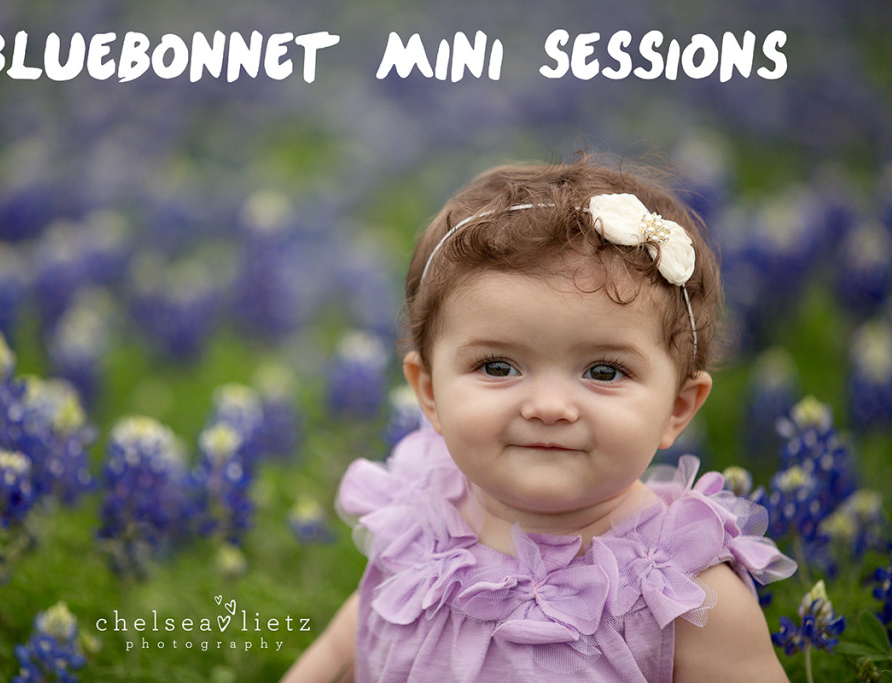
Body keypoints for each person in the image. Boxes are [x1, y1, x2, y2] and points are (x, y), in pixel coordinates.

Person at [283, 156, 797, 682]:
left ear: (678, 408)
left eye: (604, 370)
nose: (549, 407)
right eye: (499, 366)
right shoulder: (418, 532)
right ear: (429, 394)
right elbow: (340, 652)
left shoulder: (689, 594)